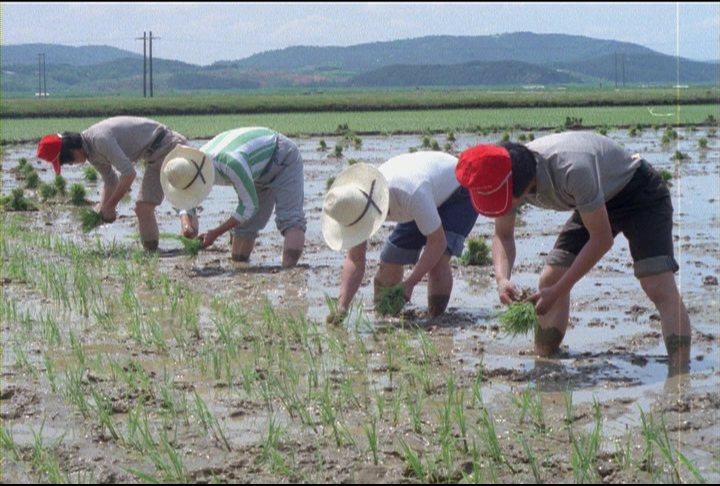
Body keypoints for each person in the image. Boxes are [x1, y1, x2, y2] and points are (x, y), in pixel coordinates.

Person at [454, 131, 692, 374]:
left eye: (504, 201)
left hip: (640, 194)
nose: (504, 207)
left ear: (520, 185)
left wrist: (558, 292)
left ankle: (680, 372)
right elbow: (503, 235)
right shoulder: (503, 173)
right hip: (593, 201)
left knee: (656, 284)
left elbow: (601, 240)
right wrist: (502, 278)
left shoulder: (572, 169)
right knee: (551, 277)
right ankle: (545, 359)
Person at [321, 151, 479, 322]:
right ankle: (384, 317)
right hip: (424, 196)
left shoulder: (409, 193)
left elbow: (438, 242)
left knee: (438, 261)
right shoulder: (357, 205)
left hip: (458, 191)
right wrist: (342, 306)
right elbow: (355, 259)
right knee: (390, 258)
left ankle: (437, 320)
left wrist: (410, 283)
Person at [36, 116, 187, 252]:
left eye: (66, 160)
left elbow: (128, 173)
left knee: (185, 197)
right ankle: (153, 254)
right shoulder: (91, 154)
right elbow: (110, 181)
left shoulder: (99, 140)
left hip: (168, 145)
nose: (70, 165)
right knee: (142, 208)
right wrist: (101, 210)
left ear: (71, 148)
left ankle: (193, 244)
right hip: (153, 156)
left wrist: (110, 206)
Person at [163, 126, 306, 268]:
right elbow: (184, 198)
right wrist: (186, 222)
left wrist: (215, 233)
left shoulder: (230, 164)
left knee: (290, 219)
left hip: (282, 157)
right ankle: (242, 267)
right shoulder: (190, 166)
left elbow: (249, 206)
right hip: (256, 169)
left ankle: (289, 274)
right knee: (244, 230)